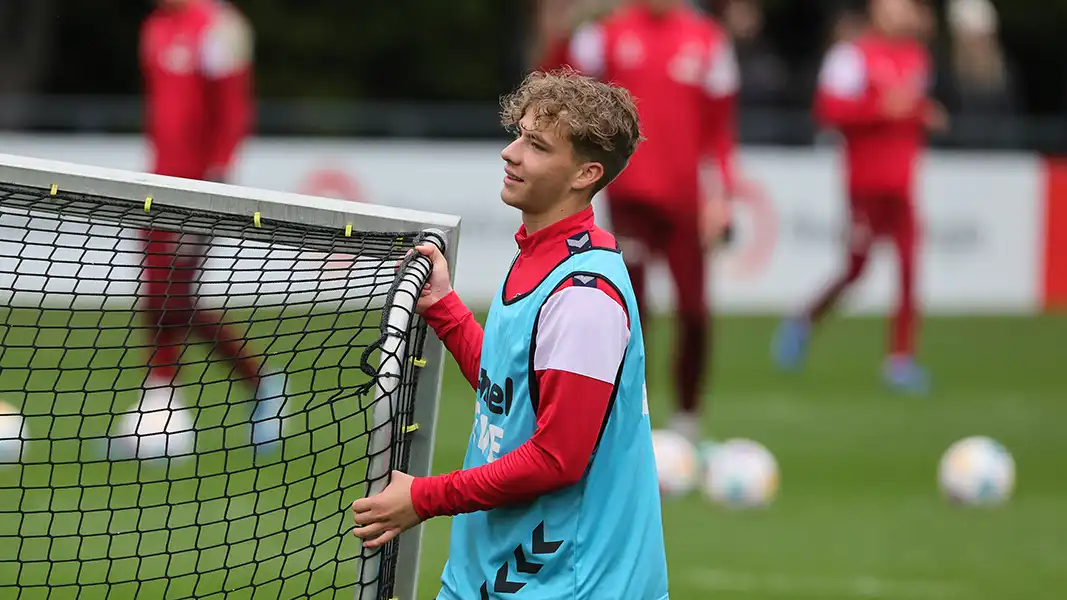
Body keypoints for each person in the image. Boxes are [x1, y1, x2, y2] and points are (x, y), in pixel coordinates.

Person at [350, 69, 668, 600]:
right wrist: (446, 311)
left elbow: (557, 457)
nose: (511, 153)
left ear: (584, 174)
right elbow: (511, 393)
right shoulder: (537, 254)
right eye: (517, 134)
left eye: (536, 145)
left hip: (573, 583)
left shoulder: (584, 298)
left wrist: (424, 498)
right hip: (492, 570)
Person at [537, 0, 745, 444]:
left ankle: (688, 420)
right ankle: (625, 421)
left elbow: (720, 130)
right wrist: (558, 29)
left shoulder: (709, 40)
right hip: (630, 199)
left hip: (688, 202)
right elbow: (555, 92)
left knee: (694, 312)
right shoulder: (606, 33)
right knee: (629, 314)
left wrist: (722, 194)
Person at [773, 0, 947, 394]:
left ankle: (901, 360)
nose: (901, 13)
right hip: (865, 185)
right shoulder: (852, 56)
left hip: (903, 184)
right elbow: (828, 111)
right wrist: (881, 108)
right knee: (856, 268)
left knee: (909, 269)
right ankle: (804, 318)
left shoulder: (916, 57)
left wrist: (923, 113)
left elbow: (910, 110)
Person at [138, 0, 282, 451]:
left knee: (173, 297)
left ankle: (256, 384)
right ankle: (162, 402)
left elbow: (233, 109)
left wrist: (216, 182)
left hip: (197, 190)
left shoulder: (221, 26)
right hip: (153, 184)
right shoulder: (154, 27)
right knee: (157, 296)